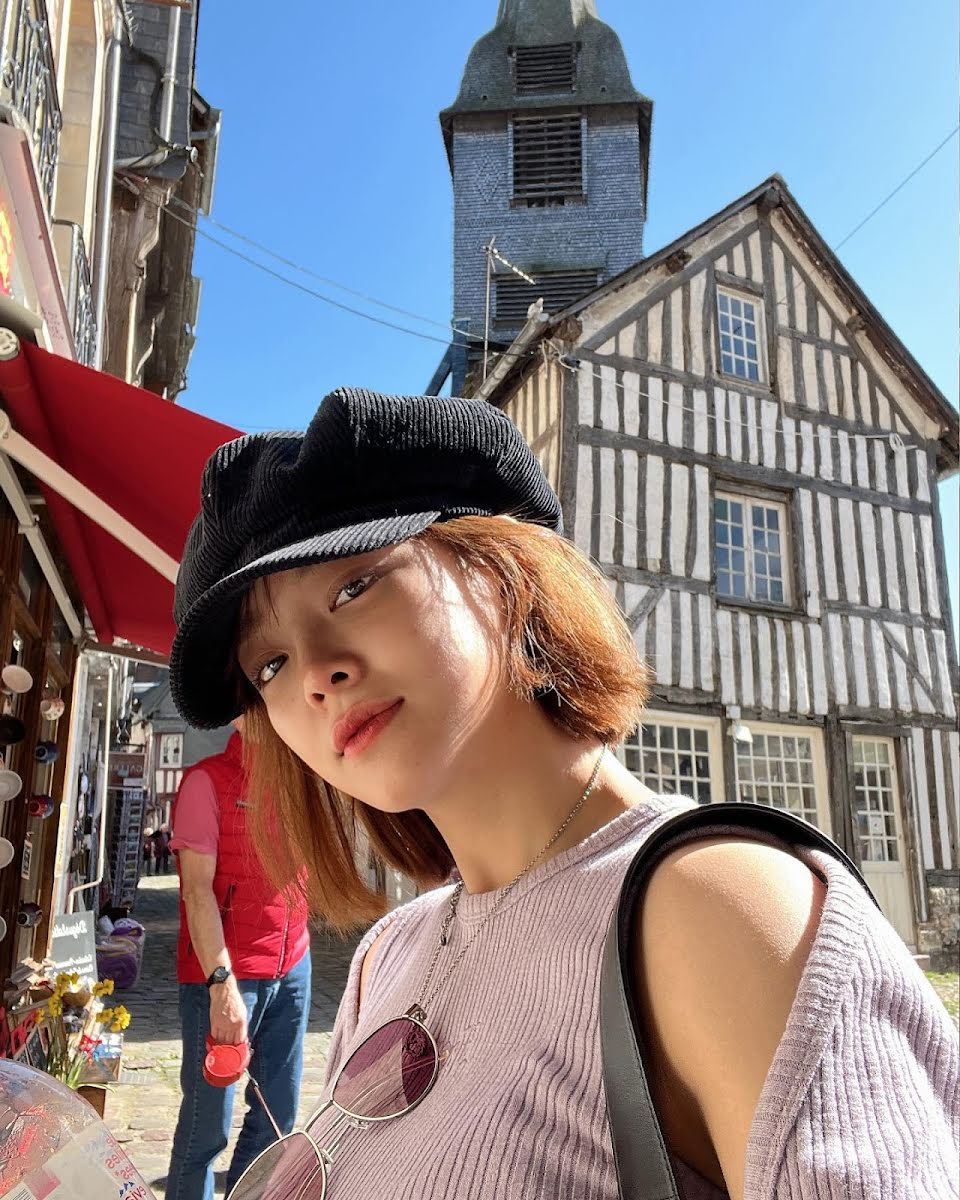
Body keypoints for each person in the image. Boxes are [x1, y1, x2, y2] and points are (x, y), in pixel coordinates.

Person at [169, 390, 958, 1200]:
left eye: (354, 586)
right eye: (268, 666)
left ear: (497, 572)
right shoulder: (385, 956)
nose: (313, 673)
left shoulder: (719, 910)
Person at [165, 720, 312, 1200]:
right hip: (225, 976)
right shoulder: (205, 781)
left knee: (277, 1118)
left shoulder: (302, 782)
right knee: (206, 1128)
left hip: (292, 965)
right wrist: (221, 985)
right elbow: (196, 891)